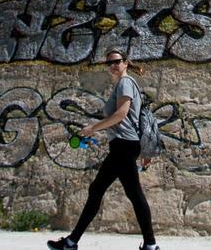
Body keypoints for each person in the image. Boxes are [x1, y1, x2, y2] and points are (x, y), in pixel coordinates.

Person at [48, 49, 158, 250]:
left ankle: (72, 242)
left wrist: (93, 128)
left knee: (105, 190)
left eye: (117, 61)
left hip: (123, 146)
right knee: (126, 193)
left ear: (125, 62)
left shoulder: (125, 83)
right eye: (109, 63)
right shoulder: (124, 84)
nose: (113, 65)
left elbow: (121, 115)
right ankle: (150, 245)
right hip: (124, 145)